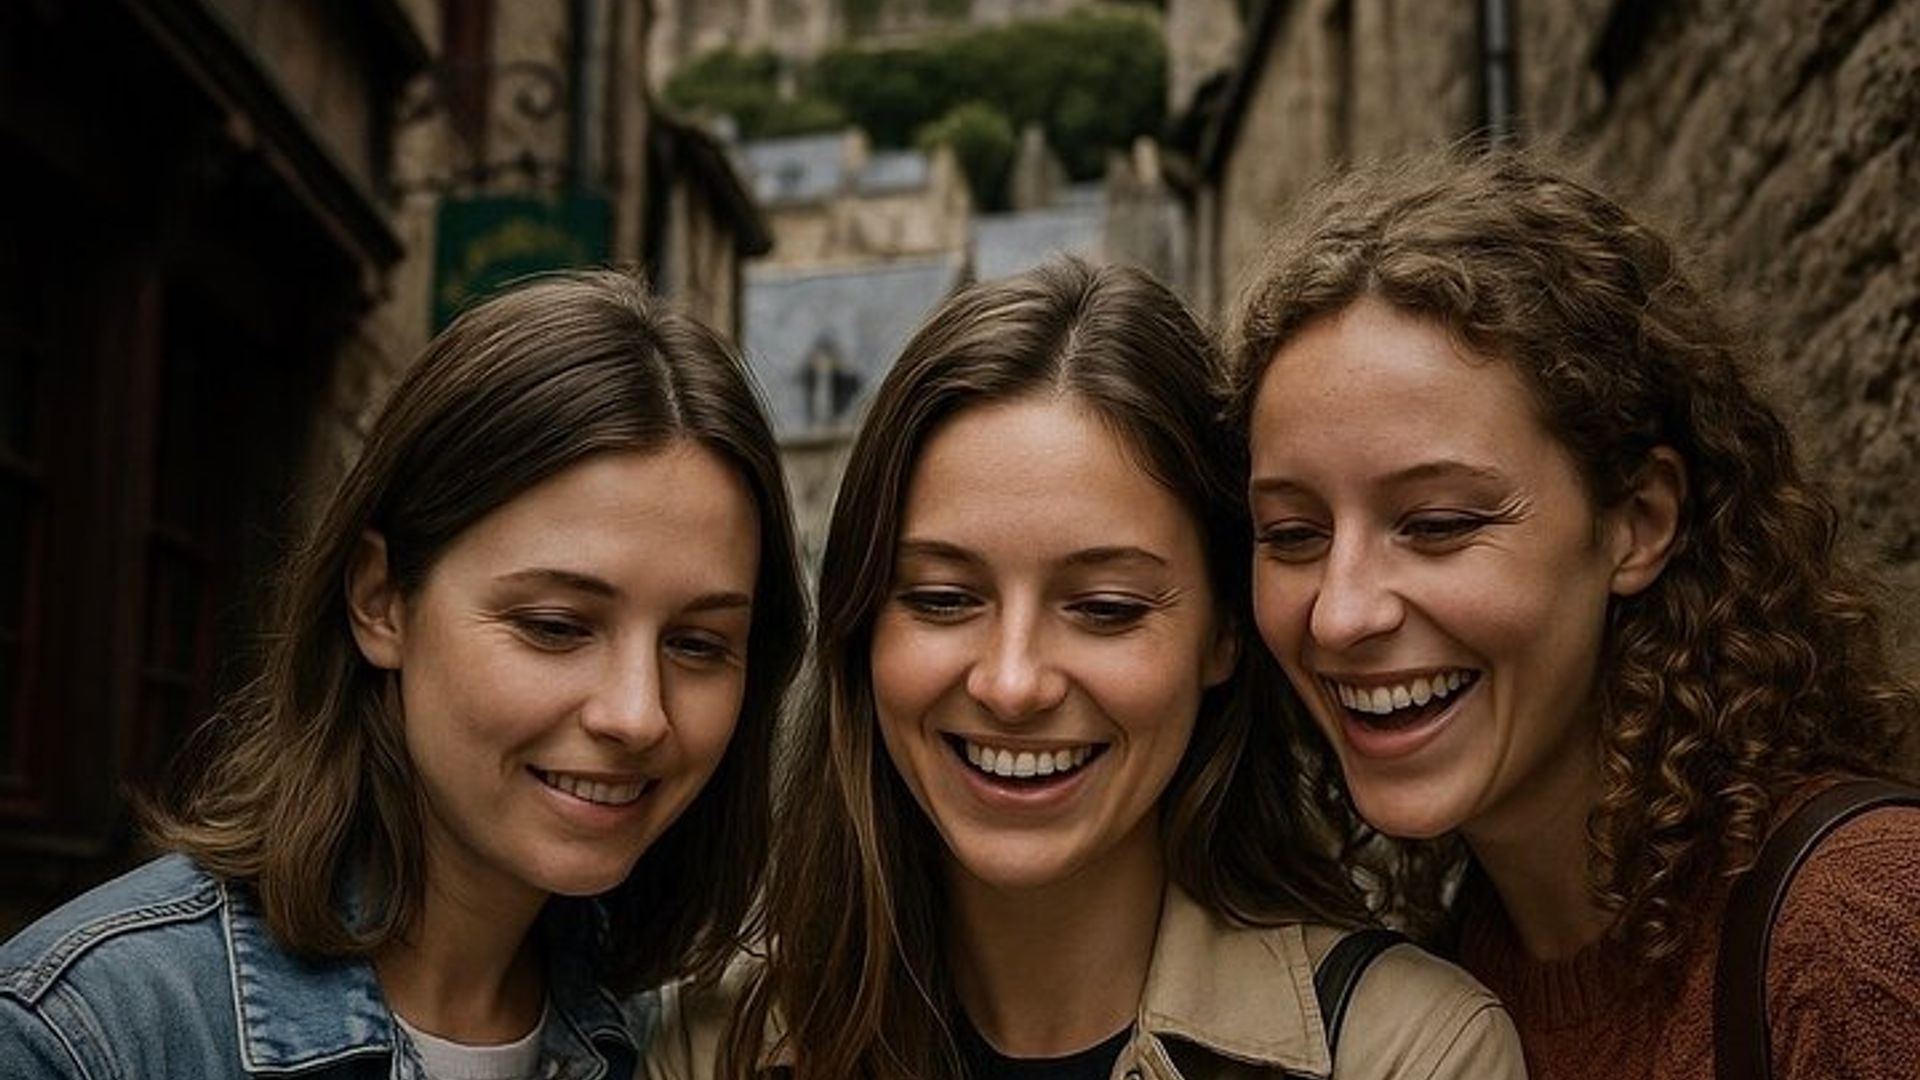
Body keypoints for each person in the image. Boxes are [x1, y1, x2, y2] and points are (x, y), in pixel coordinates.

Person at [647, 258, 1525, 1080]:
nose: (1013, 683)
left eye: (1106, 609)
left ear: (1224, 633)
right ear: (862, 623)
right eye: (944, 599)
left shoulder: (1404, 1050)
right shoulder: (713, 1048)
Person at [0, 270, 808, 1080]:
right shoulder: (88, 1039)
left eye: (699, 645)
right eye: (555, 627)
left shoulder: (669, 1041)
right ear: (381, 600)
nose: (638, 715)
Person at [1229, 149, 1920, 1079]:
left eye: (1437, 524)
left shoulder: (1859, 935)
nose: (1341, 614)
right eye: (1292, 532)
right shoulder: (1431, 994)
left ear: (1638, 523)